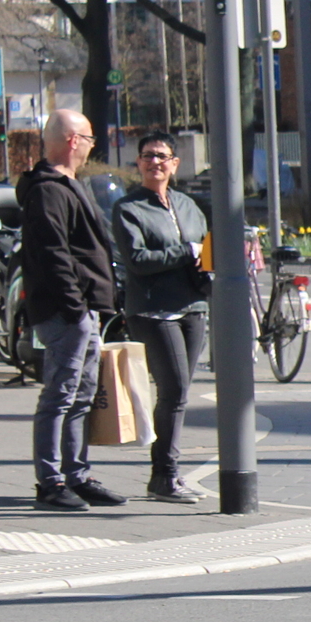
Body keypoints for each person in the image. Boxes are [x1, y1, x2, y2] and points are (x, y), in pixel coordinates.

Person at [19, 108, 122, 512]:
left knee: (80, 396)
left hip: (83, 309)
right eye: (90, 138)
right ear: (73, 141)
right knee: (59, 396)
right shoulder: (48, 189)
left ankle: (76, 474)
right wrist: (76, 309)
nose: (91, 146)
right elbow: (53, 254)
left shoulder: (67, 184)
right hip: (67, 313)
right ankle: (50, 481)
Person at [110, 131, 208, 504]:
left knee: (178, 393)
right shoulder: (129, 208)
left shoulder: (187, 205)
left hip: (193, 307)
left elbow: (204, 245)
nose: (155, 163)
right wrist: (185, 251)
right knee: (175, 390)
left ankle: (164, 475)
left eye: (162, 156)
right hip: (153, 310)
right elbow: (136, 260)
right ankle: (164, 475)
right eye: (148, 156)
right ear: (138, 164)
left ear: (175, 163)